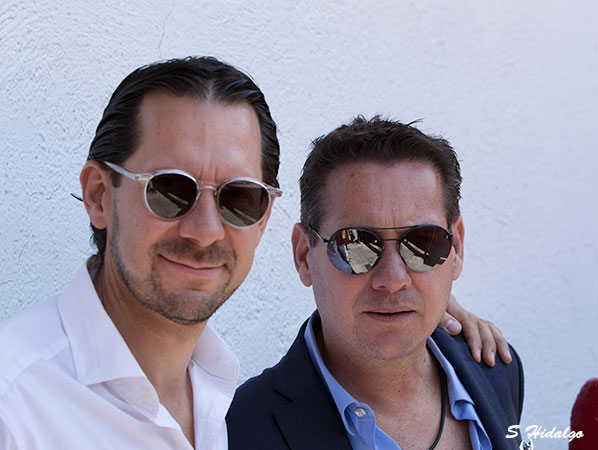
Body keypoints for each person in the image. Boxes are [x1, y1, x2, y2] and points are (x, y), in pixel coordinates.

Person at [0, 57, 509, 449]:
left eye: (239, 198)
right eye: (169, 190)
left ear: (263, 218)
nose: (205, 231)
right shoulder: (14, 406)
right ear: (99, 196)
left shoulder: (215, 398)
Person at [227, 116, 524, 450]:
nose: (393, 280)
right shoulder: (239, 431)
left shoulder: (496, 371)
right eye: (356, 245)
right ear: (303, 255)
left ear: (456, 248)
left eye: (422, 243)